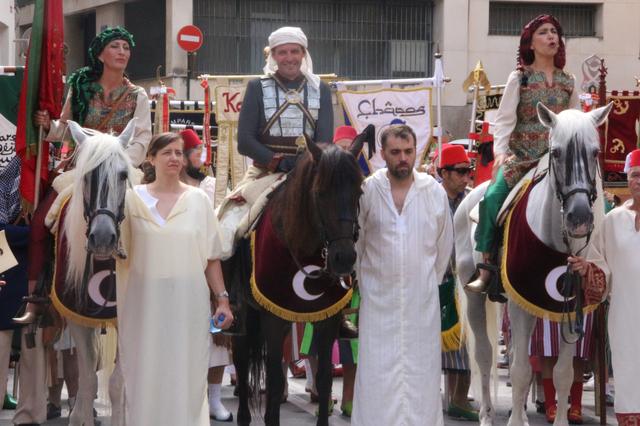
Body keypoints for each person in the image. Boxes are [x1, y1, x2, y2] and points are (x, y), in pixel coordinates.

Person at [20, 26, 152, 324]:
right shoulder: (80, 86)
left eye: (126, 48)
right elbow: (65, 130)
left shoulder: (137, 95)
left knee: (152, 224)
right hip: (82, 168)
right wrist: (49, 125)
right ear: (101, 54)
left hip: (122, 168)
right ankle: (36, 296)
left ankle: (153, 286)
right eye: (115, 46)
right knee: (41, 223)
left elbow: (143, 139)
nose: (122, 52)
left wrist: (115, 162)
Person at [117, 132, 233, 425]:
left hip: (187, 304)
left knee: (187, 374)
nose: (174, 158)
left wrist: (222, 300)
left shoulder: (198, 201)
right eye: (167, 152)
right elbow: (117, 252)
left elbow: (211, 257)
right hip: (143, 304)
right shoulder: (130, 200)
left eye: (179, 153)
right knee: (145, 373)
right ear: (151, 159)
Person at [352, 124, 453, 426]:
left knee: (422, 377)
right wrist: (371, 284)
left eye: (408, 152)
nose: (403, 158)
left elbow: (443, 247)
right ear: (383, 154)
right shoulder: (368, 190)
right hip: (378, 302)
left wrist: (421, 283)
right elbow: (357, 247)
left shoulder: (433, 192)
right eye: (395, 152)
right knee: (375, 375)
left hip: (421, 303)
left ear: (416, 152)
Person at [473, 15, 579, 290]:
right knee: (492, 198)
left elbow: (576, 122)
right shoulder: (519, 78)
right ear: (530, 43)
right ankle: (486, 266)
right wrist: (499, 153)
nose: (551, 36)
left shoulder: (569, 81)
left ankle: (586, 262)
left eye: (554, 32)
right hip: (521, 159)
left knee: (588, 200)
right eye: (544, 32)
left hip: (557, 161)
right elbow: (505, 120)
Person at [217, 26, 333, 258]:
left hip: (310, 173)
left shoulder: (321, 89)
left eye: (294, 51)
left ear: (303, 54)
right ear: (273, 55)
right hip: (264, 173)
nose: (289, 58)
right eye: (282, 52)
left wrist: (303, 164)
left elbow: (325, 141)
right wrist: (277, 162)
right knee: (228, 228)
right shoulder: (256, 87)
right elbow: (245, 141)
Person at [569, 148, 640, 424]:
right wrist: (587, 269)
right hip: (624, 314)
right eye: (634, 175)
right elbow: (601, 265)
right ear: (626, 178)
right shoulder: (612, 221)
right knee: (627, 372)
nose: (639, 181)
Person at [178, 128, 233, 422]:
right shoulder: (168, 187)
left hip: (211, 268)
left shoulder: (211, 186)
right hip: (180, 270)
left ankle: (214, 399)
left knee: (217, 339)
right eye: (196, 152)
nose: (201, 158)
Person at [436, 144, 479, 421]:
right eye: (460, 171)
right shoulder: (430, 198)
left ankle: (459, 399)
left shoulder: (474, 199)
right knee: (434, 345)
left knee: (466, 342)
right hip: (435, 280)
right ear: (444, 172)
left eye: (469, 171)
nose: (466, 177)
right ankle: (441, 397)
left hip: (465, 279)